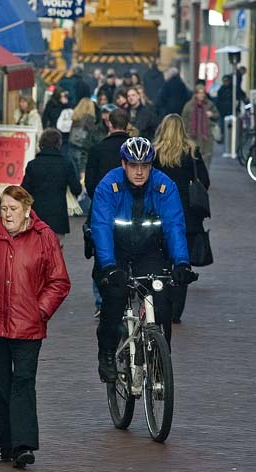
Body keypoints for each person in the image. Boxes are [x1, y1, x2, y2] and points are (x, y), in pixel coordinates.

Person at [0, 185, 70, 469]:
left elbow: (59, 281)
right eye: (4, 208)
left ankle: (23, 446)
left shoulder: (45, 238)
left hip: (29, 325)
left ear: (27, 210)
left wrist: (40, 310)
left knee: (22, 381)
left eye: (13, 209)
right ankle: (5, 444)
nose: (7, 214)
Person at [91, 137, 197, 382]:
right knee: (114, 301)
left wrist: (182, 262)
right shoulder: (109, 186)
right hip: (115, 251)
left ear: (152, 165)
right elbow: (101, 227)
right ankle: (107, 352)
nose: (139, 172)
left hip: (149, 251)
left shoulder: (164, 186)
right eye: (133, 165)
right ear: (123, 164)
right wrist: (108, 266)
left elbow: (174, 226)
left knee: (162, 303)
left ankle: (160, 360)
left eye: (145, 165)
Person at [153, 114, 210, 324]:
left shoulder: (156, 151)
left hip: (161, 212)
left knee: (160, 259)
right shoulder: (191, 151)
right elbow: (204, 180)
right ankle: (176, 310)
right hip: (187, 215)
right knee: (181, 261)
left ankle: (161, 301)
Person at [85, 109, 132, 317]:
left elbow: (90, 184)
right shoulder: (136, 149)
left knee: (101, 251)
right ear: (128, 124)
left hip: (103, 209)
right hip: (131, 209)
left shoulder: (98, 149)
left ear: (109, 124)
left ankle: (101, 300)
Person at [21, 128, 82, 246]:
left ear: (41, 144)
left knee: (37, 251)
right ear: (58, 144)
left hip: (37, 217)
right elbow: (76, 189)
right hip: (59, 218)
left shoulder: (33, 165)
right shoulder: (66, 164)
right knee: (56, 253)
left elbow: (24, 191)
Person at [182, 84, 220, 169]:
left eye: (203, 93)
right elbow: (183, 120)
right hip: (192, 137)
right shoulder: (189, 106)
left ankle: (204, 177)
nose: (201, 95)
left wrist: (212, 114)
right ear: (195, 94)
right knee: (193, 158)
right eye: (199, 93)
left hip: (206, 137)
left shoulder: (209, 104)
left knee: (206, 158)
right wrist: (185, 135)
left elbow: (217, 115)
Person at [67, 97, 98, 177]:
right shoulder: (89, 119)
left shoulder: (76, 118)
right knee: (81, 172)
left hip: (72, 146)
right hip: (82, 148)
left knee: (73, 172)